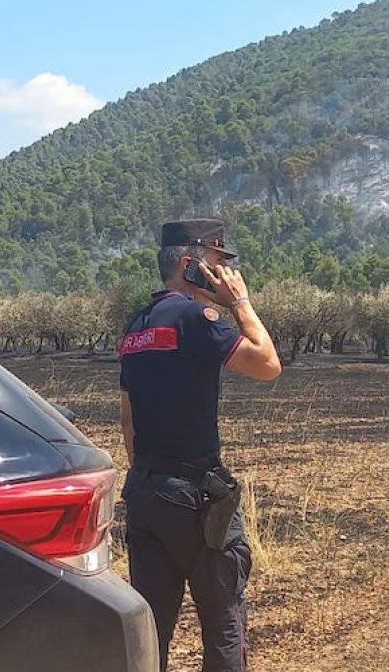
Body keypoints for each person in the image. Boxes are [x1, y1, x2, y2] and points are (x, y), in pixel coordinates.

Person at [118, 218, 281, 671]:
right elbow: (267, 364)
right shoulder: (194, 318)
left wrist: (152, 479)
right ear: (190, 265)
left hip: (145, 491)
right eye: (217, 261)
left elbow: (128, 420)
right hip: (193, 496)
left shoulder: (136, 326)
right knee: (224, 618)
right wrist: (240, 303)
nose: (226, 273)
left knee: (152, 630)